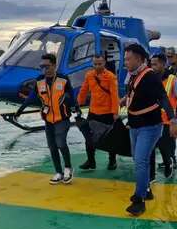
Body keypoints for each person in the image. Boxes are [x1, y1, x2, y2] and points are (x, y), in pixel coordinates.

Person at [121, 44, 177, 217]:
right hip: (135, 125)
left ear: (139, 59)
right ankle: (146, 189)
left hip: (150, 126)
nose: (125, 62)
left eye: (128, 59)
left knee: (140, 161)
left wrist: (173, 120)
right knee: (139, 159)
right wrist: (124, 101)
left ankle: (138, 201)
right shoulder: (132, 76)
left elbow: (163, 99)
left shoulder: (150, 77)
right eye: (125, 58)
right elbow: (136, 95)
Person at [15, 53, 81, 185]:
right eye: (42, 66)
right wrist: (19, 111)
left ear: (54, 66)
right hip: (48, 119)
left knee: (61, 143)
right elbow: (31, 97)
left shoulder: (63, 79)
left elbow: (71, 95)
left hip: (62, 118)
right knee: (52, 147)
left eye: (47, 66)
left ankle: (68, 168)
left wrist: (75, 107)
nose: (44, 69)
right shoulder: (39, 81)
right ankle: (58, 172)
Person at [77, 54, 120, 171]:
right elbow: (83, 90)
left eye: (99, 64)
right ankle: (91, 161)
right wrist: (78, 104)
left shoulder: (111, 77)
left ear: (104, 63)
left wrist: (115, 112)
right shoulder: (89, 75)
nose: (97, 66)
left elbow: (114, 95)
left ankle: (112, 161)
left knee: (110, 138)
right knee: (88, 137)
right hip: (93, 112)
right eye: (95, 64)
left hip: (107, 113)